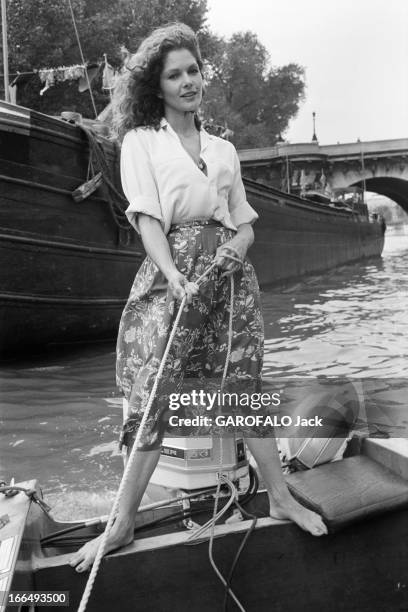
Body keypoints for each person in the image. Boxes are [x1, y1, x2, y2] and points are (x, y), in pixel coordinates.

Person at [69, 22, 327, 573]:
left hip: (232, 280)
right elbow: (146, 219)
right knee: (156, 393)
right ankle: (121, 523)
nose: (188, 82)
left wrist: (237, 246)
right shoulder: (141, 142)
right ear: (156, 86)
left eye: (193, 71)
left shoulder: (224, 150)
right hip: (174, 278)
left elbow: (247, 225)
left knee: (241, 389)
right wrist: (172, 273)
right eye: (174, 75)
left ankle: (280, 497)